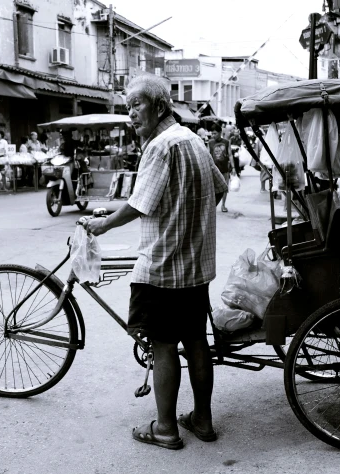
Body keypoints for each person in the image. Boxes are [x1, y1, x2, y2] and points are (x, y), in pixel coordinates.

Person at [86, 74, 228, 451]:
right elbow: (219, 188)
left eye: (137, 104)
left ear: (160, 106)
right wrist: (190, 224)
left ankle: (165, 428)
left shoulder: (160, 146)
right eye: (128, 105)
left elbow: (138, 204)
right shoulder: (192, 139)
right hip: (196, 268)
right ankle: (203, 419)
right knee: (197, 342)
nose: (131, 113)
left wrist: (103, 225)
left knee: (164, 347)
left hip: (163, 269)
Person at [207, 123, 236, 213]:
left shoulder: (226, 142)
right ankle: (213, 205)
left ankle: (223, 205)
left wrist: (234, 167)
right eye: (212, 133)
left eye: (215, 133)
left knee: (224, 188)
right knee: (212, 189)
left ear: (220, 132)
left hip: (224, 170)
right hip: (213, 170)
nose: (213, 135)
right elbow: (207, 155)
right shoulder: (210, 143)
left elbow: (230, 155)